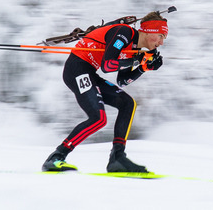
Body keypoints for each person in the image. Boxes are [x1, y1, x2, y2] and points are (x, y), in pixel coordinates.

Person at [41, 11, 167, 173]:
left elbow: (123, 80)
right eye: (161, 36)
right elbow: (108, 65)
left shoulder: (134, 49)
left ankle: (117, 159)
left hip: (89, 72)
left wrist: (143, 68)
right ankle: (57, 157)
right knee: (98, 118)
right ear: (149, 31)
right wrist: (138, 60)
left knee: (127, 103)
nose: (162, 43)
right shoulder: (124, 33)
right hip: (76, 68)